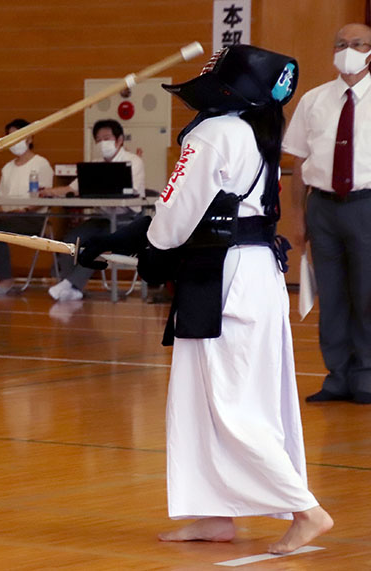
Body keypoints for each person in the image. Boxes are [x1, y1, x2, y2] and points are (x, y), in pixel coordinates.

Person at [80, 44, 332, 555]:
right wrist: (134, 240)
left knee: (230, 404)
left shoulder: (215, 133)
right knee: (208, 401)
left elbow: (175, 218)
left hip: (225, 281)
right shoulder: (254, 132)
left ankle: (307, 511)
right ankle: (217, 514)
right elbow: (194, 211)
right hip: (251, 274)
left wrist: (143, 246)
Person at [282, 23, 371, 404]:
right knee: (330, 295)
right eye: (340, 44)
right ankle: (337, 375)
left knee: (367, 293)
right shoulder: (314, 100)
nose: (347, 50)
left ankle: (366, 375)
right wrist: (299, 219)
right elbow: (297, 163)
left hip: (366, 205)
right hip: (323, 207)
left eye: (356, 44)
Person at [42, 119, 145, 301]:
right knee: (70, 242)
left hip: (127, 220)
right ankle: (73, 288)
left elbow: (132, 194)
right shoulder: (94, 165)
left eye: (107, 138)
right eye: (99, 139)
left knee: (98, 244)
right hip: (102, 217)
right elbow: (72, 189)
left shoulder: (133, 161)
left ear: (119, 139)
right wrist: (49, 191)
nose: (102, 143)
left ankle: (70, 285)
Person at [0, 118, 54, 295]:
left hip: (31, 219)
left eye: (18, 136)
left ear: (29, 138)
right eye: (10, 137)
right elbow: (0, 198)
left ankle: (6, 280)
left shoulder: (41, 164)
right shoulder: (7, 168)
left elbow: (45, 197)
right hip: (7, 216)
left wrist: (24, 210)